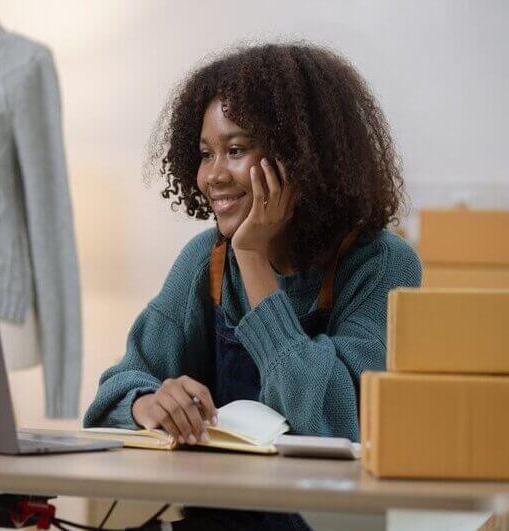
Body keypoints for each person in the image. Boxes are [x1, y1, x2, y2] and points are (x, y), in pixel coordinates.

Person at [84, 42, 422, 530]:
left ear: (301, 159)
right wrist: (149, 404)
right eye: (205, 154)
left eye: (236, 151)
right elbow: (110, 396)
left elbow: (333, 418)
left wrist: (252, 256)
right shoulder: (205, 260)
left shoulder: (383, 264)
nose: (212, 176)